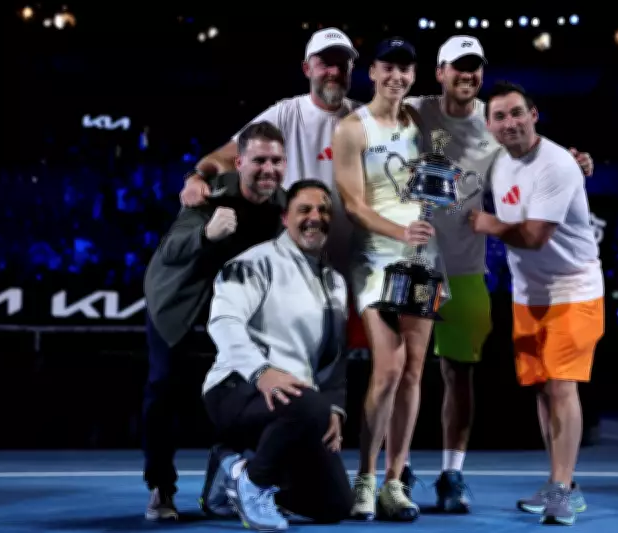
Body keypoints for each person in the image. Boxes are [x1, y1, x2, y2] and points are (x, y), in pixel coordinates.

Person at [399, 36, 594, 514]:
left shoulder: (496, 123)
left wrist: (574, 163)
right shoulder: (408, 110)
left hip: (469, 269)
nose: (466, 75)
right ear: (439, 71)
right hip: (412, 263)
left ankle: (454, 474)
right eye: (457, 67)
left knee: (460, 374)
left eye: (474, 67)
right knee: (399, 372)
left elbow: (538, 162)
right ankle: (392, 472)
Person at [470, 81, 604, 526]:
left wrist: (484, 223)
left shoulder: (557, 164)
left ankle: (562, 491)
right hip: (529, 293)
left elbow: (532, 236)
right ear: (489, 126)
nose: (509, 123)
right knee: (545, 392)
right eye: (500, 117)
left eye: (516, 113)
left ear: (534, 114)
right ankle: (562, 483)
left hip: (574, 288)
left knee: (563, 386)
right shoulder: (497, 161)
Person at [141, 121, 287, 520]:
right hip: (178, 306)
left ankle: (228, 480)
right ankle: (161, 488)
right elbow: (170, 251)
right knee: (163, 387)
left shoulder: (283, 206)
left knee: (246, 390)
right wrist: (207, 233)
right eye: (259, 160)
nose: (268, 169)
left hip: (232, 313)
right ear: (239, 163)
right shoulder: (210, 195)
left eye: (276, 160)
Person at [202, 179, 354, 531]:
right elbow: (223, 322)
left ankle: (231, 470)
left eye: (323, 210)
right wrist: (261, 372)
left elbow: (334, 357)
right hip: (236, 389)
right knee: (308, 403)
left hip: (296, 405)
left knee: (334, 505)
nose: (315, 217)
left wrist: (333, 407)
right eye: (305, 210)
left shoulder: (335, 282)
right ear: (285, 217)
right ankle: (250, 484)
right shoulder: (255, 262)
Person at [332, 38, 431, 522]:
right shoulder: (353, 127)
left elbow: (479, 129)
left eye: (406, 69)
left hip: (421, 257)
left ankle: (395, 481)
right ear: (371, 71)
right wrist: (400, 230)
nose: (398, 76)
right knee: (387, 369)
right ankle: (365, 478)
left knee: (413, 371)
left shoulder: (422, 123)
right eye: (389, 67)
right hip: (376, 254)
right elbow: (353, 204)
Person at [182, 27, 361, 278]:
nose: (334, 72)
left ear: (351, 69)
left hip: (353, 259)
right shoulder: (285, 113)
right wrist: (196, 177)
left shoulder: (365, 119)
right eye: (325, 64)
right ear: (307, 69)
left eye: (342, 64)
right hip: (297, 260)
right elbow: (225, 157)